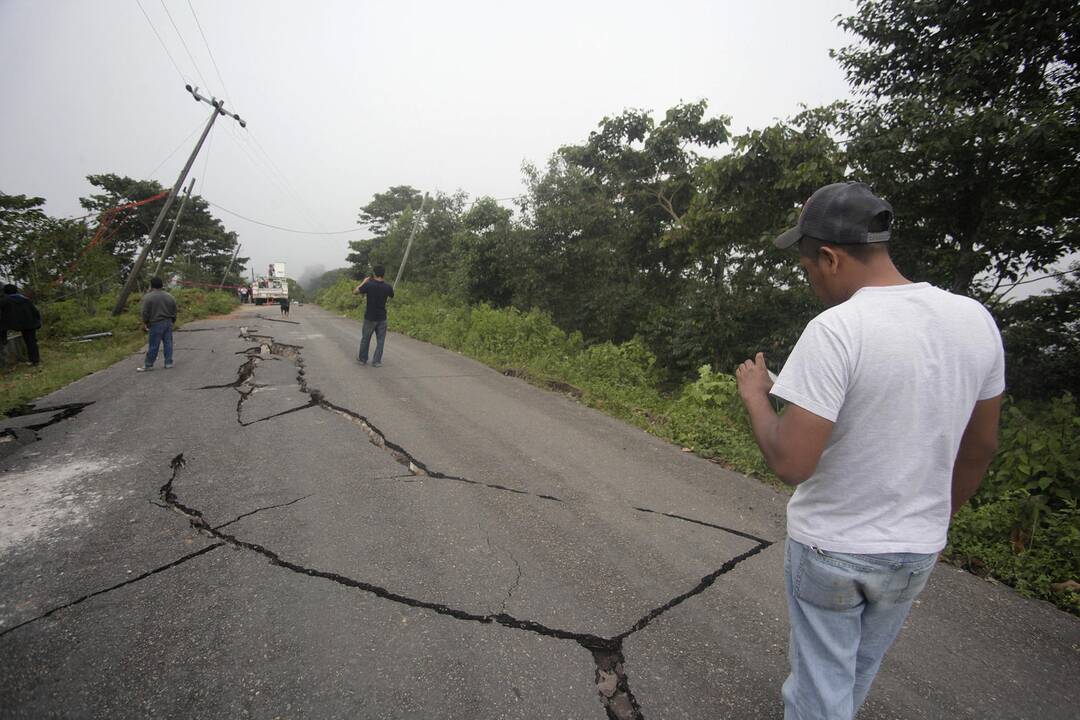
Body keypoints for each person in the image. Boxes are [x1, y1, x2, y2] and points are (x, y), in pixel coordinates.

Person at [734, 182, 1004, 720]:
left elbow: (791, 461)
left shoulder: (838, 328)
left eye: (809, 267)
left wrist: (756, 397)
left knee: (819, 691)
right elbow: (981, 446)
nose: (810, 280)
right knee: (855, 672)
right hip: (915, 549)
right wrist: (932, 520)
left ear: (830, 257)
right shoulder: (975, 320)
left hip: (833, 547)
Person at [353, 264, 394, 367]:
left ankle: (363, 359)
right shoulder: (388, 286)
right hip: (382, 318)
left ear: (374, 273)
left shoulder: (369, 284)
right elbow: (391, 295)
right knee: (380, 341)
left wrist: (364, 281)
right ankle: (376, 361)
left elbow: (355, 292)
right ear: (383, 274)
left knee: (366, 339)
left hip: (370, 317)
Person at [138, 276, 178, 372]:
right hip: (168, 322)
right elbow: (174, 309)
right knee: (168, 343)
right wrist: (172, 320)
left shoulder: (148, 297)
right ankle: (168, 363)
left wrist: (146, 322)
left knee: (154, 345)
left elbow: (145, 312)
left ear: (152, 285)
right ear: (162, 285)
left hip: (156, 323)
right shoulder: (169, 296)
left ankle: (148, 364)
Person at [0, 284, 43, 365]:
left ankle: (3, 339)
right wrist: (38, 321)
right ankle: (35, 361)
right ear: (16, 290)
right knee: (31, 342)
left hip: (14, 324)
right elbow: (35, 311)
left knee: (2, 324)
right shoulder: (25, 299)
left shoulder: (4, 300)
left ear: (5, 292)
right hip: (29, 324)